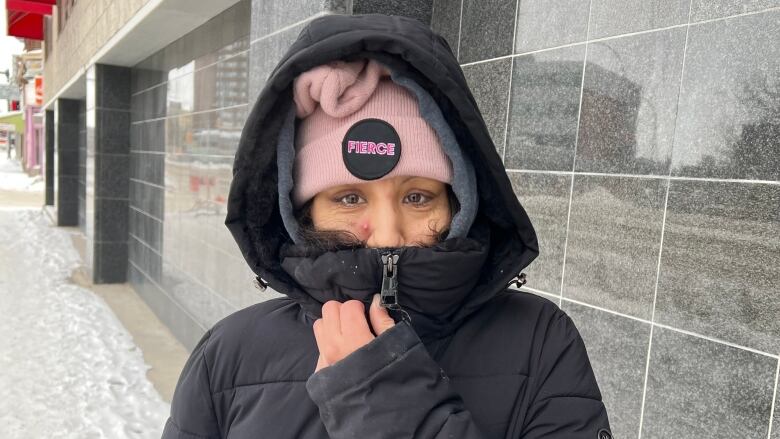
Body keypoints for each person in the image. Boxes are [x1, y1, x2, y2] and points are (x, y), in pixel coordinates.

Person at [162, 13, 612, 439]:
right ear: (302, 214)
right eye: (349, 197)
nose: (388, 234)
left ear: (461, 204)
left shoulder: (540, 342)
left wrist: (388, 404)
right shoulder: (229, 356)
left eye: (417, 197)